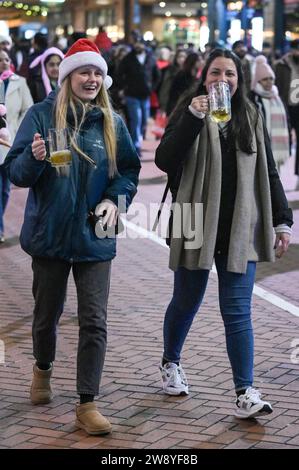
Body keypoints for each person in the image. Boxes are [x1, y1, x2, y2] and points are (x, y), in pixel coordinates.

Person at [4, 38, 140, 435]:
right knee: (47, 316)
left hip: (95, 236)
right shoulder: (41, 116)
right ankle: (42, 368)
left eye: (98, 72)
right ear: (68, 77)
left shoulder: (112, 122)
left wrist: (117, 198)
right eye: (84, 71)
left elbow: (128, 171)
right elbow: (15, 174)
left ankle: (87, 403)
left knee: (94, 320)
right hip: (50, 235)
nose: (92, 78)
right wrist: (35, 156)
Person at [155, 49, 293, 419]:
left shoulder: (251, 113)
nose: (222, 80)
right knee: (186, 300)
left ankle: (245, 391)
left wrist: (282, 219)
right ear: (204, 76)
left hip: (239, 224)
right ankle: (170, 362)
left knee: (237, 310)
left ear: (239, 79)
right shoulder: (190, 110)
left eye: (230, 74)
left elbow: (269, 170)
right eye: (215, 72)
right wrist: (193, 119)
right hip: (193, 218)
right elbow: (165, 160)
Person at [0, 49, 33, 243]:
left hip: (10, 142)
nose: (4, 62)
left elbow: (27, 109)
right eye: (0, 60)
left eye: (7, 59)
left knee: (5, 190)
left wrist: (16, 130)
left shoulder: (19, 82)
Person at [117, 40, 160, 156]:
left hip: (145, 95)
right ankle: (136, 146)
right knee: (136, 120)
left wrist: (152, 89)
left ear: (144, 45)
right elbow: (119, 73)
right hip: (131, 95)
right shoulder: (128, 58)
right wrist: (123, 88)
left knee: (144, 121)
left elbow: (157, 75)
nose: (138, 45)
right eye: (136, 43)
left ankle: (138, 140)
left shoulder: (150, 58)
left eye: (140, 43)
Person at [249, 55, 290, 173]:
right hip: (259, 147)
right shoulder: (252, 98)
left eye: (271, 78)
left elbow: (286, 122)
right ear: (258, 81)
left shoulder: (277, 97)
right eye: (265, 79)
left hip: (276, 148)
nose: (269, 82)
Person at [275, 39, 299, 188]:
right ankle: (277, 177)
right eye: (296, 50)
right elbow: (275, 85)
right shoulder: (281, 65)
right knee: (284, 142)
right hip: (285, 107)